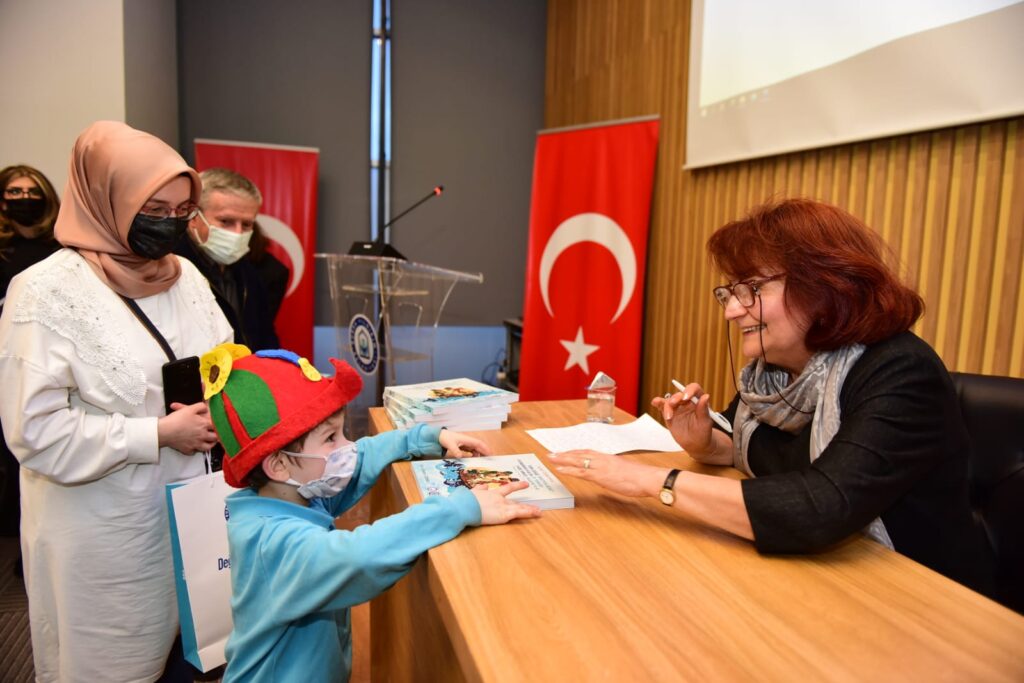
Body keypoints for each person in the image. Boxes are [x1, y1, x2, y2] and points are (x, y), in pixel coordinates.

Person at [550, 198, 994, 598]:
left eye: (752, 290)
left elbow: (821, 506)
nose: (731, 310)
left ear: (825, 285)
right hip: (826, 578)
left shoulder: (899, 371)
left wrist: (651, 482)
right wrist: (708, 444)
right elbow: (766, 455)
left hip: (924, 599)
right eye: (729, 292)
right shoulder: (774, 374)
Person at [0, 121, 234, 682]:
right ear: (106, 199)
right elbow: (34, 431)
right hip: (102, 532)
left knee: (197, 653)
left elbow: (225, 361)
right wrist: (154, 434)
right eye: (155, 207)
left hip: (192, 515)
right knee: (111, 664)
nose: (170, 223)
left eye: (183, 211)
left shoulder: (185, 278)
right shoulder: (46, 291)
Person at [198, 343, 541, 682]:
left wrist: (424, 438)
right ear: (278, 464)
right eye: (331, 438)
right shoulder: (270, 543)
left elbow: (360, 458)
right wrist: (462, 507)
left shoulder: (297, 493)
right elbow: (358, 557)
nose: (346, 446)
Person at [0, 165, 62, 542]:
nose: (24, 200)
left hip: (42, 363)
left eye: (31, 192)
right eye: (14, 192)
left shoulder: (59, 251)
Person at [176, 167, 280, 350]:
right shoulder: (170, 271)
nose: (238, 233)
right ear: (193, 217)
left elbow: (265, 342)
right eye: (226, 221)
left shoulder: (252, 277)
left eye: (247, 224)